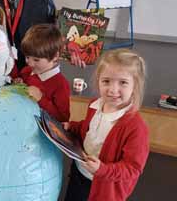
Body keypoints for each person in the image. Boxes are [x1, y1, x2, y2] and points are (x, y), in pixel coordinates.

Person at [63, 48, 149, 201]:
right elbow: (89, 129)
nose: (112, 89)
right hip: (79, 173)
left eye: (123, 82)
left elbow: (132, 169)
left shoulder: (136, 127)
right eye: (106, 81)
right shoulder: (94, 105)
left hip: (104, 187)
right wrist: (72, 127)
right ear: (98, 81)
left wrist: (102, 170)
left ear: (135, 86)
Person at [17, 24, 70, 122]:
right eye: (27, 57)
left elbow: (63, 118)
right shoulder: (27, 71)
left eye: (36, 60)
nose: (30, 63)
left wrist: (41, 99)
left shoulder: (61, 85)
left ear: (55, 56)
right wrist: (19, 83)